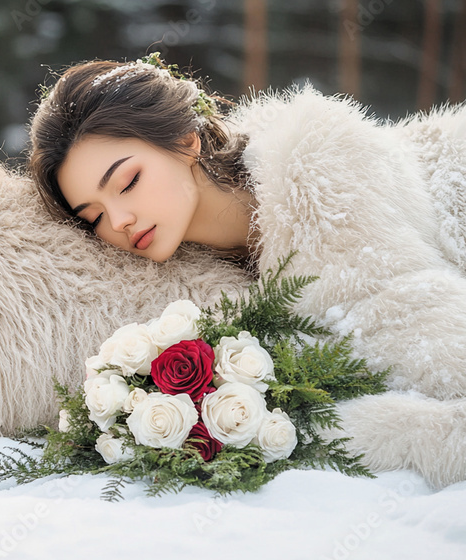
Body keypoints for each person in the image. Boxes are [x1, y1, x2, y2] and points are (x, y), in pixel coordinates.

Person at [27, 54, 466, 488]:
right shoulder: (189, 284)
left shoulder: (325, 183)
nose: (118, 220)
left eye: (127, 182)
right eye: (94, 217)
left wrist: (286, 432)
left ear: (186, 140)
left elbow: (445, 369)